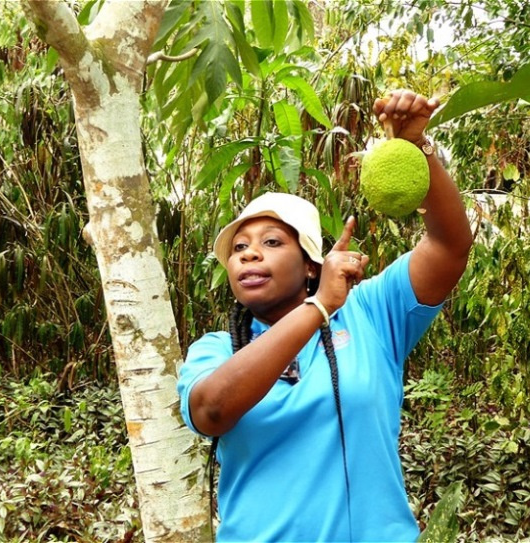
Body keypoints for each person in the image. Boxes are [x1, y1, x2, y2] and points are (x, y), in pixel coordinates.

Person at [177, 90, 473, 542]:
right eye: (239, 248)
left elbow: (450, 247)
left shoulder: (370, 314)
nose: (249, 254)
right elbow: (211, 409)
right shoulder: (217, 349)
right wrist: (319, 306)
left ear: (311, 264)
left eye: (272, 242)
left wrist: (420, 149)